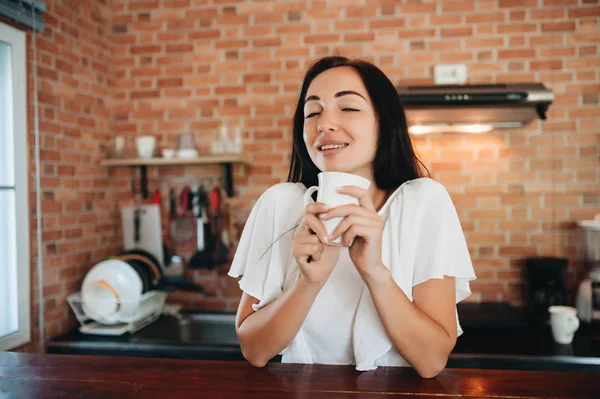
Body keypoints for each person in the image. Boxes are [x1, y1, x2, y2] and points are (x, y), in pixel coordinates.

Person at [228, 56, 476, 378]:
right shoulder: (279, 204)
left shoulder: (423, 202)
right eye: (312, 112)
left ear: (383, 122)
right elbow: (255, 351)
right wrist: (308, 283)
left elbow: (431, 362)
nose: (324, 123)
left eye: (348, 108)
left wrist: (375, 271)